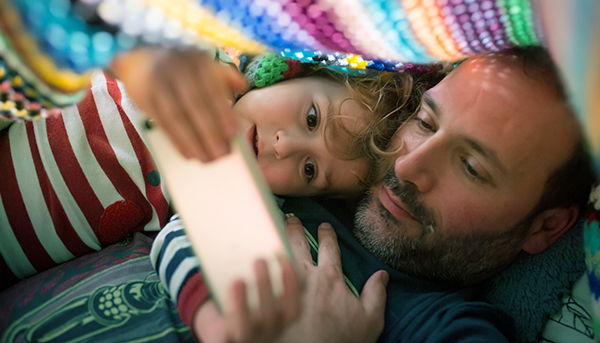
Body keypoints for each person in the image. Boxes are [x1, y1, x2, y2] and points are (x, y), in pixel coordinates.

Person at [152, 45, 596, 342]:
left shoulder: (448, 327)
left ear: (547, 226)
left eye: (471, 167)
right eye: (424, 123)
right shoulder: (287, 184)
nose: (405, 166)